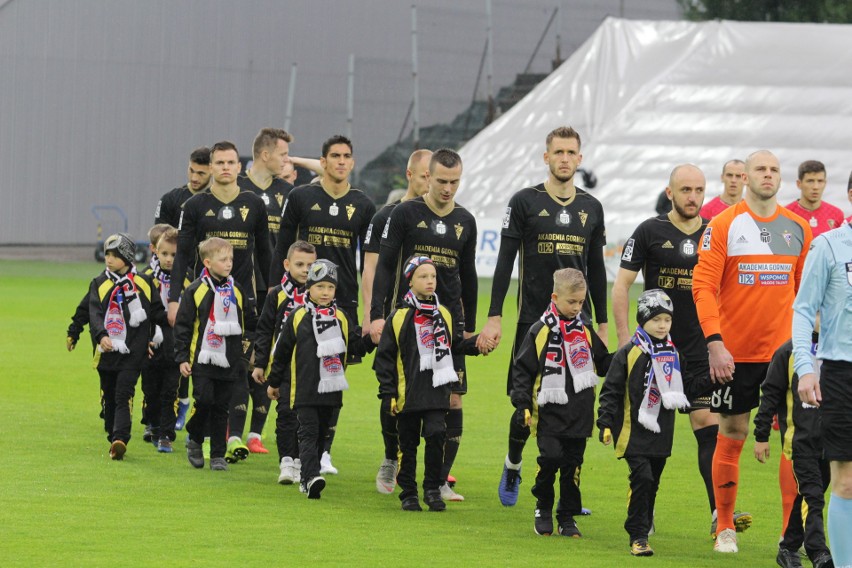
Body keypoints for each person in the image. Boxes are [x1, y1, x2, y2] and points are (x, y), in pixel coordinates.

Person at [613, 164, 751, 537]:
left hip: (702, 352)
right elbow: (622, 285)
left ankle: (718, 515)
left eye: (699, 190)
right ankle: (643, 510)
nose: (693, 197)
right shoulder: (649, 231)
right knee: (653, 434)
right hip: (657, 353)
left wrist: (722, 343)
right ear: (670, 192)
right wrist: (627, 339)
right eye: (686, 190)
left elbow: (731, 292)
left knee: (707, 427)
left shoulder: (716, 232)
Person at [478, 126, 607, 507]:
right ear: (545, 157)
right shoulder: (524, 202)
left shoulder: (591, 207)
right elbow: (503, 263)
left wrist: (599, 323)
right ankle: (514, 463)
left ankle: (568, 491)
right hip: (534, 325)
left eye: (571, 152)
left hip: (578, 328)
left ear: (580, 159)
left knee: (575, 409)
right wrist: (495, 316)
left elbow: (597, 268)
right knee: (525, 408)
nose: (565, 158)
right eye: (558, 152)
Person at [692, 149, 812, 554]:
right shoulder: (723, 225)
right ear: (744, 178)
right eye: (760, 168)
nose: (767, 175)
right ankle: (724, 526)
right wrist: (715, 342)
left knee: (794, 440)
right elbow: (703, 287)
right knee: (733, 432)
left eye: (774, 169)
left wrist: (808, 349)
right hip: (735, 355)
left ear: (781, 179)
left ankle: (788, 534)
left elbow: (803, 295)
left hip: (785, 355)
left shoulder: (798, 228)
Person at [370, 148, 478, 502]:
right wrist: (376, 315)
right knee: (399, 398)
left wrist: (469, 326)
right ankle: (391, 458)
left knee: (453, 401)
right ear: (427, 177)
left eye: (455, 182)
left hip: (448, 327)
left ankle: (440, 479)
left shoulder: (466, 221)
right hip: (409, 323)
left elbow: (470, 276)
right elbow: (385, 266)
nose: (448, 188)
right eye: (442, 181)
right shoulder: (405, 213)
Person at [269, 134, 376, 475]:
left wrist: (369, 311)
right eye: (335, 156)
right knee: (296, 377)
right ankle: (295, 454)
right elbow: (282, 249)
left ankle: (322, 452)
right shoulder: (301, 197)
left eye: (347, 156)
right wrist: (277, 295)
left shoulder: (363, 205)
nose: (342, 161)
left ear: (352, 162)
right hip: (301, 303)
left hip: (341, 306)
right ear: (324, 161)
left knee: (333, 378)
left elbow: (368, 265)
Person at [374, 256, 483, 511]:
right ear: (410, 281)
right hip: (408, 393)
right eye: (423, 276)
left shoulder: (443, 312)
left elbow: (454, 344)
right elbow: (385, 359)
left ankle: (432, 489)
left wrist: (476, 345)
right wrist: (389, 394)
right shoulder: (399, 317)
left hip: (436, 390)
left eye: (433, 276)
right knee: (408, 444)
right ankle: (409, 493)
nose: (430, 281)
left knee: (436, 435)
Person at [510, 268, 611, 537]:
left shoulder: (585, 331)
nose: (577, 308)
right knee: (551, 459)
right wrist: (523, 405)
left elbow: (604, 365)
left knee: (572, 467)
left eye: (581, 302)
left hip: (580, 414)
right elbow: (522, 371)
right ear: (555, 297)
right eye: (572, 302)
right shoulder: (538, 331)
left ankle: (566, 515)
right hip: (549, 414)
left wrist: (627, 355)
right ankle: (543, 506)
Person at [266, 260, 375, 498]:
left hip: (331, 390)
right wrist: (274, 383)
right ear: (309, 288)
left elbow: (354, 346)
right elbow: (282, 352)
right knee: (308, 432)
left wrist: (371, 340)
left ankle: (309, 473)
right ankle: (310, 477)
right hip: (303, 389)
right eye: (320, 287)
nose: (325, 293)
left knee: (322, 434)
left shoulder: (342, 317)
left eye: (330, 288)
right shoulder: (297, 316)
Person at [598, 289, 689, 555]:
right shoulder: (628, 352)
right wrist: (604, 422)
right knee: (644, 477)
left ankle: (641, 520)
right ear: (642, 320)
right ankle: (638, 536)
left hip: (662, 432)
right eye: (656, 319)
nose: (662, 325)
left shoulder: (674, 353)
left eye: (667, 320)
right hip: (630, 429)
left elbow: (683, 391)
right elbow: (611, 390)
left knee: (652, 482)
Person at [363, 148, 432, 494]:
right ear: (409, 174)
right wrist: (372, 317)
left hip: (434, 323)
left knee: (437, 393)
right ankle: (391, 458)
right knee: (392, 391)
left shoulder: (445, 217)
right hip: (396, 321)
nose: (430, 183)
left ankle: (433, 472)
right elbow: (373, 269)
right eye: (424, 176)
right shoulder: (387, 216)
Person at [793, 219, 852, 568]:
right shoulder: (829, 245)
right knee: (845, 480)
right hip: (842, 372)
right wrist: (805, 366)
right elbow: (803, 310)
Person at [234, 127, 294, 456]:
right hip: (240, 290)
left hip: (274, 292)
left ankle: (255, 433)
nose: (288, 161)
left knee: (266, 361)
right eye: (283, 154)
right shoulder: (236, 189)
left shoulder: (288, 192)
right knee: (238, 363)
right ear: (265, 154)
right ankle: (231, 430)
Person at [753, 329, 833, 568]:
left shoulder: (840, 347)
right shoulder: (788, 351)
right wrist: (761, 435)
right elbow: (769, 394)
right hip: (800, 441)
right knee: (813, 496)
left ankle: (788, 548)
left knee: (807, 496)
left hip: (832, 441)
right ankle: (818, 551)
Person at [174, 238, 255, 471]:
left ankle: (218, 454)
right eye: (223, 259)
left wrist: (243, 354)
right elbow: (183, 326)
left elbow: (248, 322)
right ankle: (196, 439)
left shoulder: (237, 290)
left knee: (222, 407)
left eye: (231, 259)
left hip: (230, 361)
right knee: (205, 400)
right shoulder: (195, 290)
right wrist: (181, 358)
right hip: (202, 359)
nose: (229, 263)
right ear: (208, 262)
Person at [86, 233, 167, 460]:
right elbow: (95, 314)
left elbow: (156, 313)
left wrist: (171, 323)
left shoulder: (144, 282)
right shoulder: (99, 283)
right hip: (107, 352)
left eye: (115, 255)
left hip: (134, 353)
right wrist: (101, 336)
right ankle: (113, 435)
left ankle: (120, 439)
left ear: (127, 256)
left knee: (124, 394)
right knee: (110, 397)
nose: (109, 259)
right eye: (107, 254)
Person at [252, 240, 317, 485]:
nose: (305, 270)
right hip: (283, 365)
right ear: (286, 264)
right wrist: (260, 363)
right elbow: (265, 329)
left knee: (307, 416)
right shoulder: (277, 295)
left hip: (310, 367)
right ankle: (287, 461)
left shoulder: (320, 295)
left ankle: (304, 461)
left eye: (311, 265)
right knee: (286, 413)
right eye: (299, 264)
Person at [140, 226, 182, 453]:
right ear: (155, 251)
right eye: (164, 254)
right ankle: (153, 425)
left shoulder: (186, 281)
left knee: (170, 391)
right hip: (151, 343)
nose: (168, 259)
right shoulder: (144, 278)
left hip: (175, 344)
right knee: (151, 390)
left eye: (174, 255)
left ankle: (166, 434)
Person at [154, 147, 212, 227]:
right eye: (191, 171)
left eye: (201, 173)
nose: (194, 178)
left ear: (212, 171)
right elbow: (159, 236)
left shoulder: (220, 200)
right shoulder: (170, 199)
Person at [785, 160, 845, 237]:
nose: (815, 187)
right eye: (810, 181)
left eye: (820, 181)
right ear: (799, 184)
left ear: (825, 183)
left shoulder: (837, 214)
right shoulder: (786, 214)